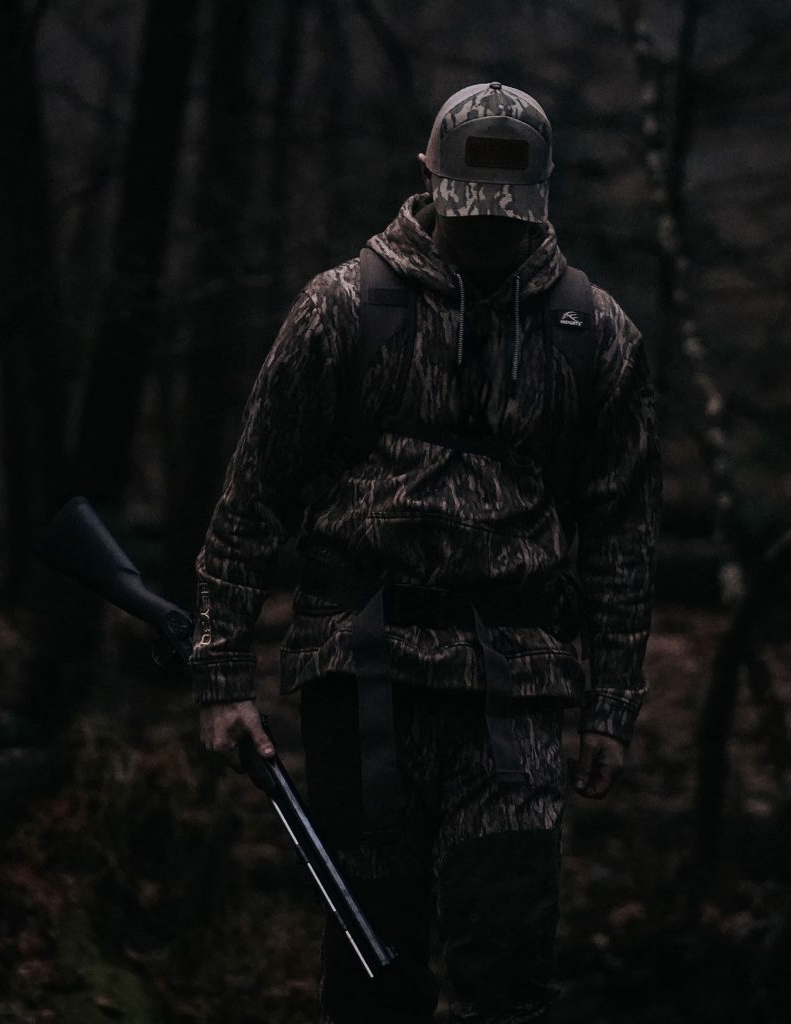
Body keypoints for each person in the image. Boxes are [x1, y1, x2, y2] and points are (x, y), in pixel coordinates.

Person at [191, 82, 662, 1023]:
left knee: (509, 965)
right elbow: (253, 498)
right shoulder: (341, 312)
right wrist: (222, 677)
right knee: (373, 971)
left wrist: (611, 703)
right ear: (429, 181)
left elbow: (617, 530)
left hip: (517, 686)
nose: (487, 237)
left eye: (506, 220)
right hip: (363, 674)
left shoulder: (595, 335)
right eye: (470, 217)